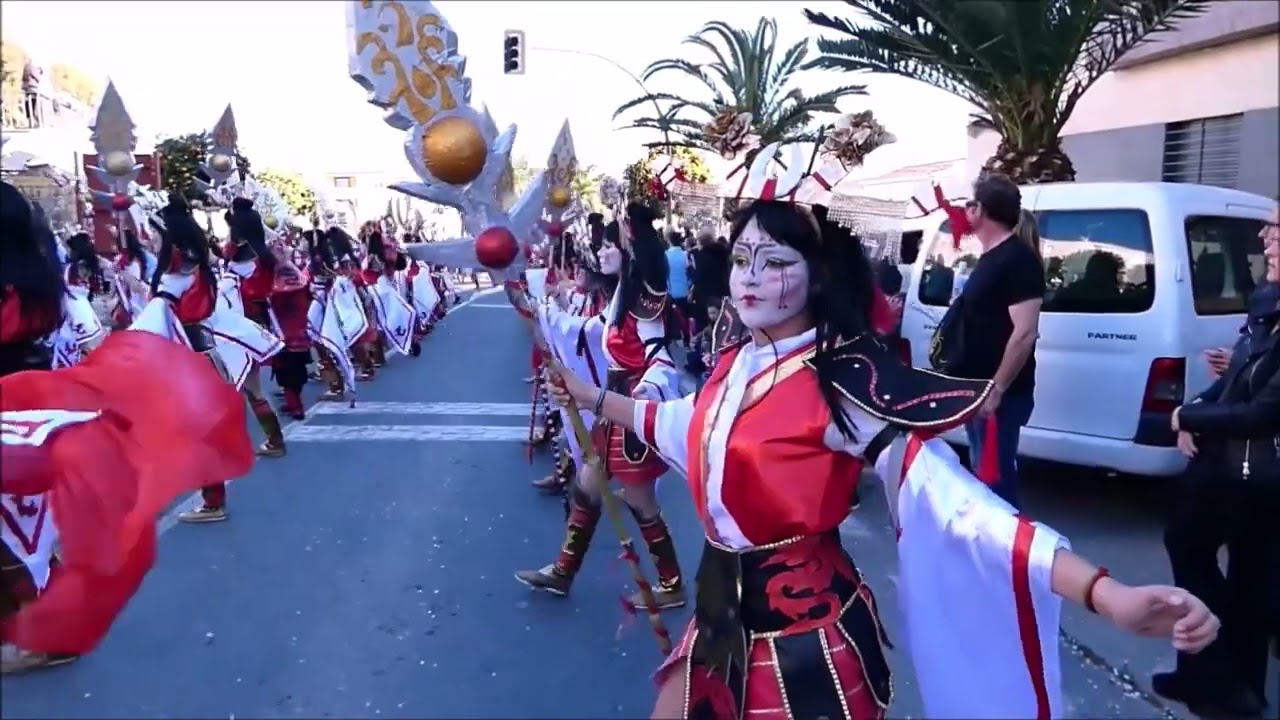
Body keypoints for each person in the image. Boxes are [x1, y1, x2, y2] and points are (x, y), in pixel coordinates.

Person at [544, 196, 1220, 720]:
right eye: (743, 258)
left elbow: (961, 508)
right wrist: (588, 394)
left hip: (805, 645)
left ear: (817, 278)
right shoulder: (734, 366)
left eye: (775, 262)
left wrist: (1106, 594)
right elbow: (680, 425)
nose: (750, 277)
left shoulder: (845, 386)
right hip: (720, 620)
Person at [0, 181, 253, 673]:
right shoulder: (49, 286)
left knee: (14, 538)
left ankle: (51, 631)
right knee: (20, 536)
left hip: (28, 422)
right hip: (45, 418)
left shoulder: (23, 292)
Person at [516, 202, 687, 611]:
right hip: (612, 409)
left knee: (640, 501)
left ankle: (672, 585)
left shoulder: (644, 301)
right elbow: (586, 331)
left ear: (630, 249)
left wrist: (645, 393)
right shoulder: (620, 297)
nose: (602, 251)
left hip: (630, 409)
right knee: (589, 485)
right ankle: (563, 571)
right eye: (603, 245)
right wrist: (541, 309)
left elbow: (660, 358)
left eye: (611, 245)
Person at [1155, 203, 1280, 718]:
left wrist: (1189, 415)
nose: (1265, 237)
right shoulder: (1267, 302)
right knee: (1196, 551)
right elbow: (1236, 381)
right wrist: (1194, 412)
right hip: (1228, 466)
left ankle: (1232, 687)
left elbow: (1264, 412)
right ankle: (1204, 673)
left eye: (1277, 230)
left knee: (1246, 580)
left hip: (1261, 475)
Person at [932, 176, 1044, 508]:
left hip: (998, 397)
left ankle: (1004, 539)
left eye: (970, 203)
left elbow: (1024, 333)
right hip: (978, 390)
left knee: (995, 480)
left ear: (980, 209)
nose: (965, 210)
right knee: (984, 474)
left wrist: (997, 389)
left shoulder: (1018, 260)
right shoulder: (993, 257)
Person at [688, 229, 730, 332]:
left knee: (704, 325)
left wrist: (693, 294)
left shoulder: (702, 256)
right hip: (721, 293)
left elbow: (699, 278)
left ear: (701, 241)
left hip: (704, 297)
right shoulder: (723, 253)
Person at [665, 232, 691, 345]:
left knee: (672, 316)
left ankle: (673, 338)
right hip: (684, 290)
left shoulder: (665, 255)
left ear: (669, 241)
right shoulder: (685, 255)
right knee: (684, 315)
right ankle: (686, 339)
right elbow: (688, 271)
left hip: (670, 291)